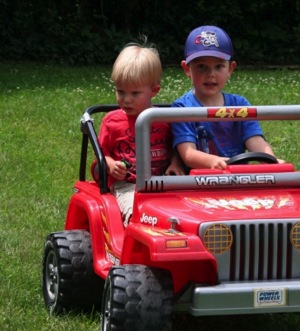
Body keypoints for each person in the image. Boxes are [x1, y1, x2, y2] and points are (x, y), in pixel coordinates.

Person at [97, 43, 184, 226]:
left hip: (163, 183)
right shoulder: (112, 122)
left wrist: (175, 163)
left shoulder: (163, 119)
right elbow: (101, 155)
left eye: (135, 93)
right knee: (136, 214)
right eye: (120, 91)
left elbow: (178, 146)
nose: (126, 99)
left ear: (154, 91)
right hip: (128, 185)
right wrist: (112, 165)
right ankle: (134, 251)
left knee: (182, 216)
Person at [171, 25, 278, 171]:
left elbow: (255, 140)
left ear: (230, 69)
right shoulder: (182, 108)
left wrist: (270, 160)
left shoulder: (240, 105)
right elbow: (188, 154)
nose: (211, 74)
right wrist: (216, 162)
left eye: (219, 66)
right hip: (197, 184)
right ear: (187, 69)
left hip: (238, 180)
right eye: (201, 66)